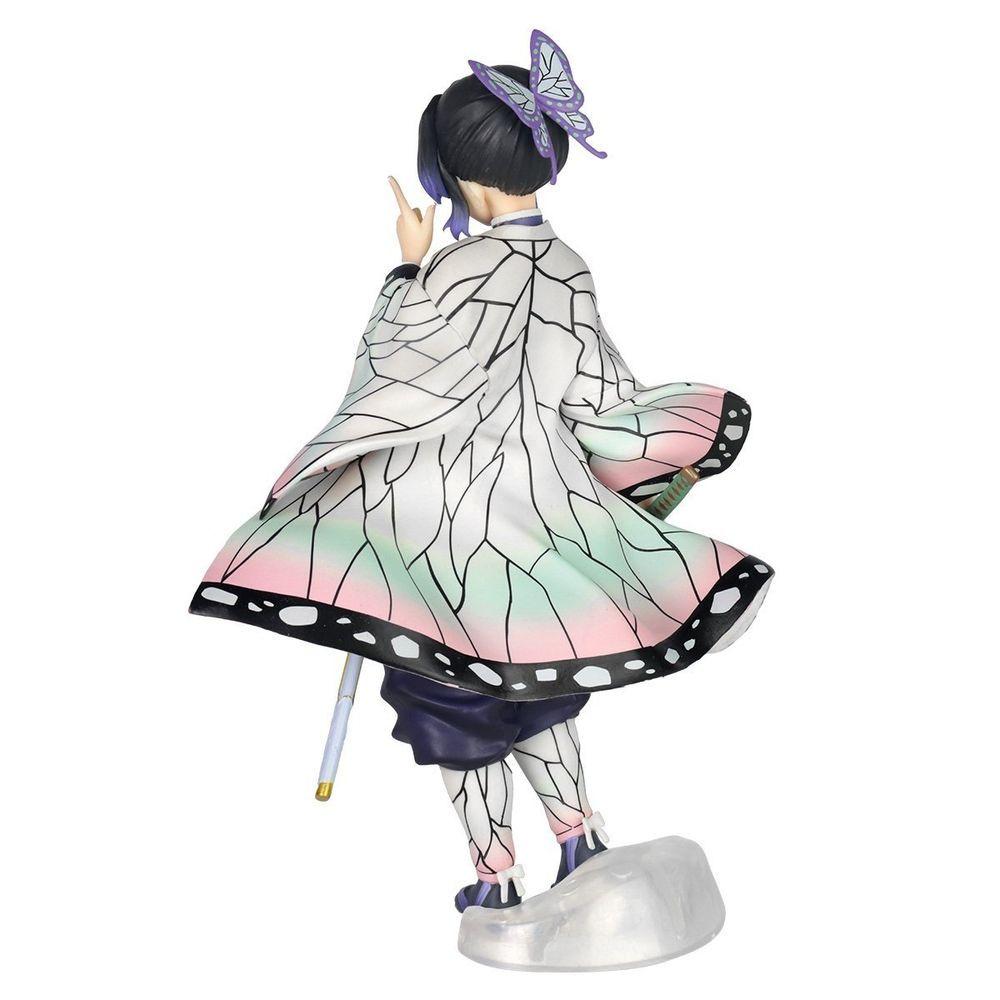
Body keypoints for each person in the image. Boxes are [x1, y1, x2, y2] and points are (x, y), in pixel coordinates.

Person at [190, 30, 773, 912]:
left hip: (438, 533)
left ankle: (495, 877)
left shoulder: (453, 269)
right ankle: (579, 836)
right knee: (538, 688)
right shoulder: (570, 269)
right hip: (539, 519)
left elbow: (392, 373)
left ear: (459, 174)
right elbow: (600, 396)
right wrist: (655, 446)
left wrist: (406, 266)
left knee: (456, 707)